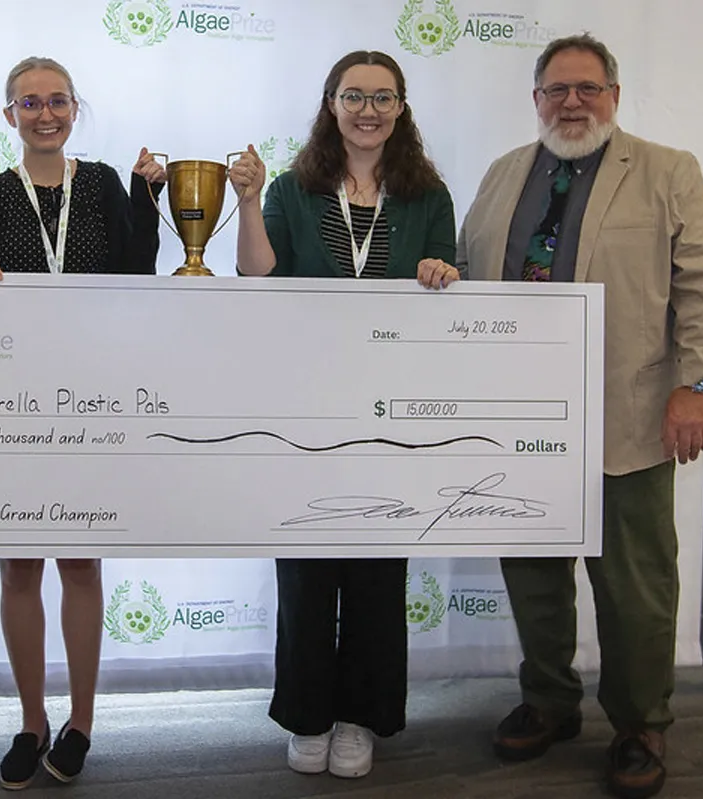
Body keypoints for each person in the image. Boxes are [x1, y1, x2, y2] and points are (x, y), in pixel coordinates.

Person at [456, 33, 703, 799]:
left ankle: (642, 721)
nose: (572, 102)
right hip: (516, 419)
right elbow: (471, 279)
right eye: (557, 89)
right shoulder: (501, 174)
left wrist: (699, 385)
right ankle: (549, 699)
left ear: (614, 94)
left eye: (587, 88)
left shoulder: (666, 171)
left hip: (630, 414)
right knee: (534, 576)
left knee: (634, 585)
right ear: (536, 99)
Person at [230, 49, 459, 779]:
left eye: (382, 97)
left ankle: (360, 714)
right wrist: (246, 200)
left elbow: (450, 273)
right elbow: (258, 273)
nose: (368, 110)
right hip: (304, 404)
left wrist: (440, 273)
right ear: (330, 104)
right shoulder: (297, 189)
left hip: (394, 409)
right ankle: (306, 713)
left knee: (376, 569)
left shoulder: (428, 195)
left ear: (401, 109)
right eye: (353, 96)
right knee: (304, 566)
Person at [0, 56, 165, 790]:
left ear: (76, 108)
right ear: (8, 113)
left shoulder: (104, 184)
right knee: (18, 566)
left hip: (92, 395)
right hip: (10, 402)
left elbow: (139, 277)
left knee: (79, 561)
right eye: (30, 103)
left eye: (59, 102)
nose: (46, 114)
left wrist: (148, 196)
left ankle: (80, 721)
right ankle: (30, 720)